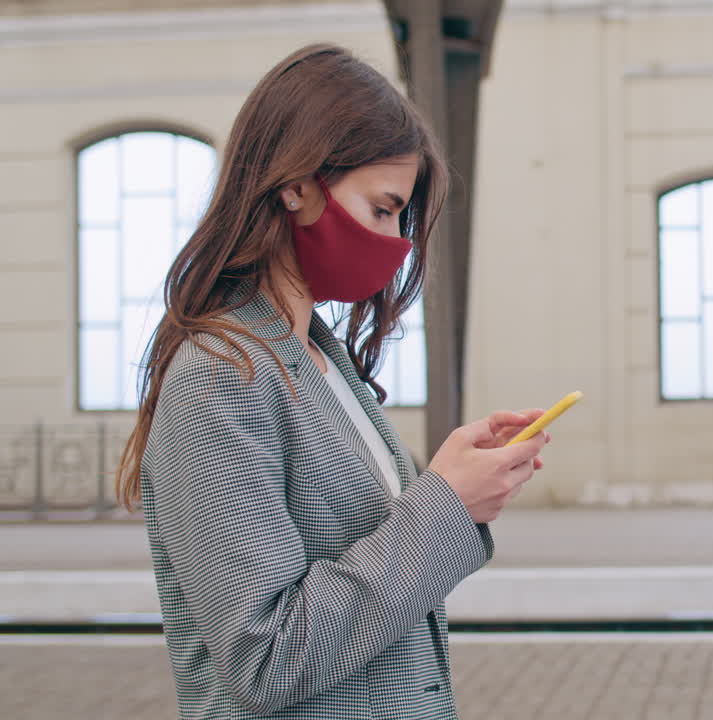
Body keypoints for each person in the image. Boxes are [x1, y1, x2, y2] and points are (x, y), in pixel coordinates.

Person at [113, 43, 549, 720]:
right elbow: (268, 657)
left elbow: (385, 556)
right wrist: (446, 504)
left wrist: (459, 483)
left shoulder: (321, 360)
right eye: (381, 209)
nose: (397, 241)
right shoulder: (218, 378)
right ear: (296, 185)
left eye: (403, 217)